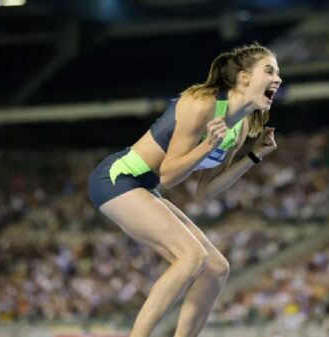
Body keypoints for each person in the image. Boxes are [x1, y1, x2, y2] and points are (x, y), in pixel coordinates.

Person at [87, 42, 282, 337]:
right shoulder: (201, 103)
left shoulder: (239, 128)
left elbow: (204, 192)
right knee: (191, 256)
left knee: (217, 268)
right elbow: (168, 175)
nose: (277, 79)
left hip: (145, 188)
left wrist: (253, 157)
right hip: (118, 178)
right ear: (244, 77)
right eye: (269, 70)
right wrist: (207, 145)